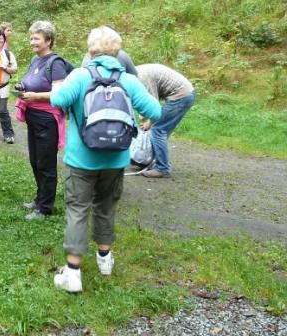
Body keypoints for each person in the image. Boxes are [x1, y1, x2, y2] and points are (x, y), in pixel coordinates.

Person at [50, 26, 161, 293]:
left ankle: (73, 274)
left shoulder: (79, 75)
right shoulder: (128, 80)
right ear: (118, 51)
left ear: (91, 50)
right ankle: (104, 259)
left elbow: (56, 99)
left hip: (81, 159)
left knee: (78, 210)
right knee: (107, 206)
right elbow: (155, 110)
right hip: (116, 159)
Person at [15, 21, 68, 221]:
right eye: (31, 38)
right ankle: (39, 199)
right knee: (35, 161)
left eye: (36, 38)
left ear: (48, 40)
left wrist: (35, 97)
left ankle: (45, 208)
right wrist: (22, 88)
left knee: (46, 164)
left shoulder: (56, 63)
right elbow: (32, 81)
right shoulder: (35, 60)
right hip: (33, 117)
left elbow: (59, 94)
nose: (32, 42)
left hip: (47, 119)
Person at [136, 63, 196, 179]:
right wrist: (147, 120)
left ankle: (162, 169)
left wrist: (148, 121)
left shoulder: (142, 77)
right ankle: (154, 163)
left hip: (181, 97)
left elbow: (153, 106)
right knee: (159, 131)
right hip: (185, 95)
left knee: (158, 130)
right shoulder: (138, 72)